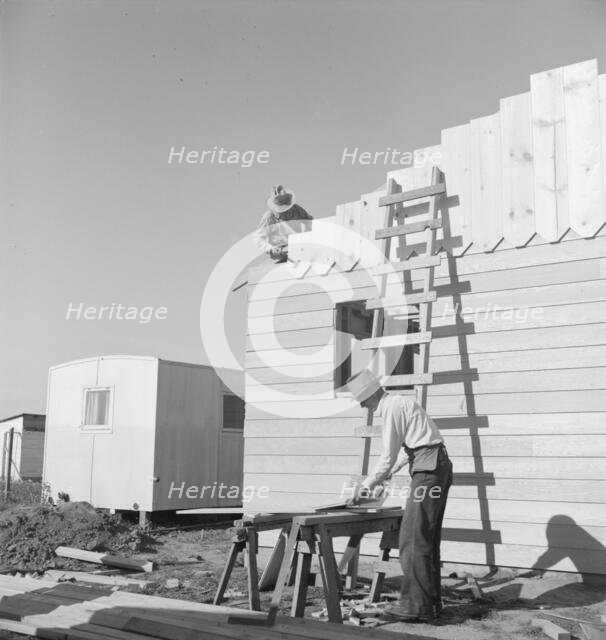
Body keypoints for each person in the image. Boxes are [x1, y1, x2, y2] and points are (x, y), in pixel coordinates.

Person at [345, 369, 453, 623]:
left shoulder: (392, 408)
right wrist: (391, 472)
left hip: (428, 471)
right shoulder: (401, 403)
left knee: (412, 538)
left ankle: (416, 606)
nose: (363, 406)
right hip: (435, 466)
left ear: (367, 397)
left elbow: (388, 454)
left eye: (362, 401)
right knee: (426, 538)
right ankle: (430, 603)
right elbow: (413, 448)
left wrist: (366, 487)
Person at [253, 185, 312, 262]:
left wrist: (306, 236)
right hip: (280, 258)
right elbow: (257, 239)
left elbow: (310, 222)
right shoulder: (269, 217)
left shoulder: (296, 209)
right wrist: (271, 248)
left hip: (300, 252)